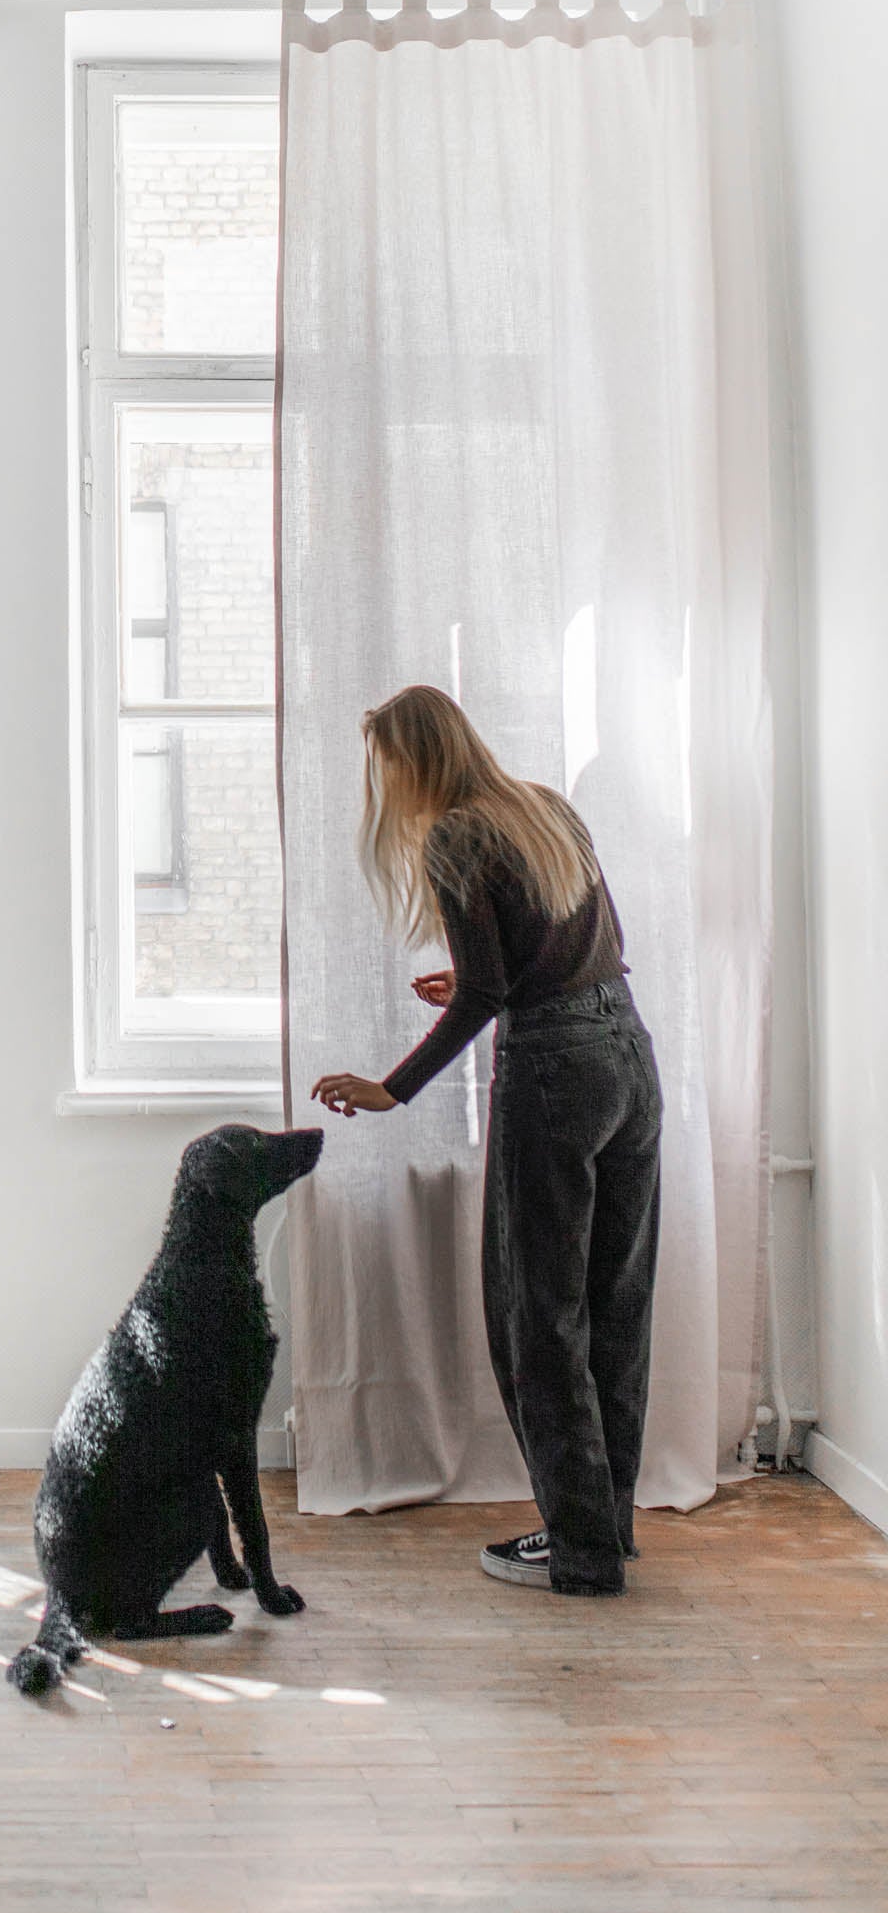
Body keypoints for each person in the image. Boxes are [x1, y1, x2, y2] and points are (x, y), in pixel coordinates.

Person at [311, 685, 662, 1598]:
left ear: (408, 761)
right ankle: (604, 1532)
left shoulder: (455, 834)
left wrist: (391, 1089)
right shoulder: (544, 806)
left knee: (535, 1318)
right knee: (614, 1310)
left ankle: (580, 1554)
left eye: (383, 763)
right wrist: (481, 979)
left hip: (554, 1076)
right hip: (627, 1055)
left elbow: (487, 998)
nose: (380, 781)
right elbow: (593, 946)